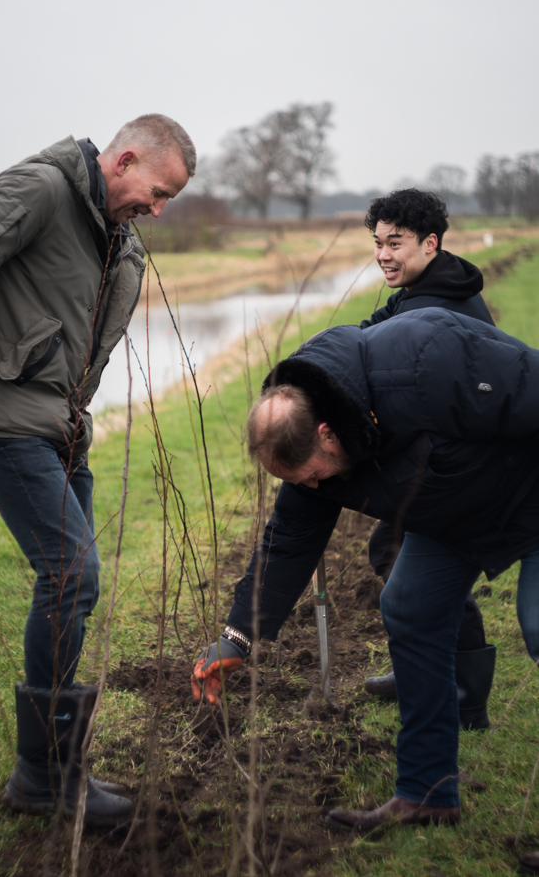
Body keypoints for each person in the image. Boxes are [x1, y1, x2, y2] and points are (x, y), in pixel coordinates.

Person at [0, 114, 195, 825]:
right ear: (125, 158)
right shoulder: (40, 189)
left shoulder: (118, 239)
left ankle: (49, 772)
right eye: (157, 192)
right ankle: (43, 778)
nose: (158, 210)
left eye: (169, 202)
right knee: (73, 574)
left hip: (60, 428)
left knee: (73, 584)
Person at [191, 306, 539, 849]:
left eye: (312, 475)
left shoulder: (428, 357)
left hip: (531, 487)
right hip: (459, 516)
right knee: (410, 607)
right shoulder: (310, 449)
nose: (310, 487)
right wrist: (237, 636)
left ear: (328, 434)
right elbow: (287, 543)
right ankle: (428, 790)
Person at [356, 189, 496, 727]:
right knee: (395, 553)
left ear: (430, 243)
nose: (383, 254)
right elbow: (372, 335)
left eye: (396, 242)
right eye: (377, 243)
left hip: (456, 466)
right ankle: (421, 667)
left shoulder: (435, 307)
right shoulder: (431, 284)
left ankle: (464, 697)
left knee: (419, 565)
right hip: (438, 458)